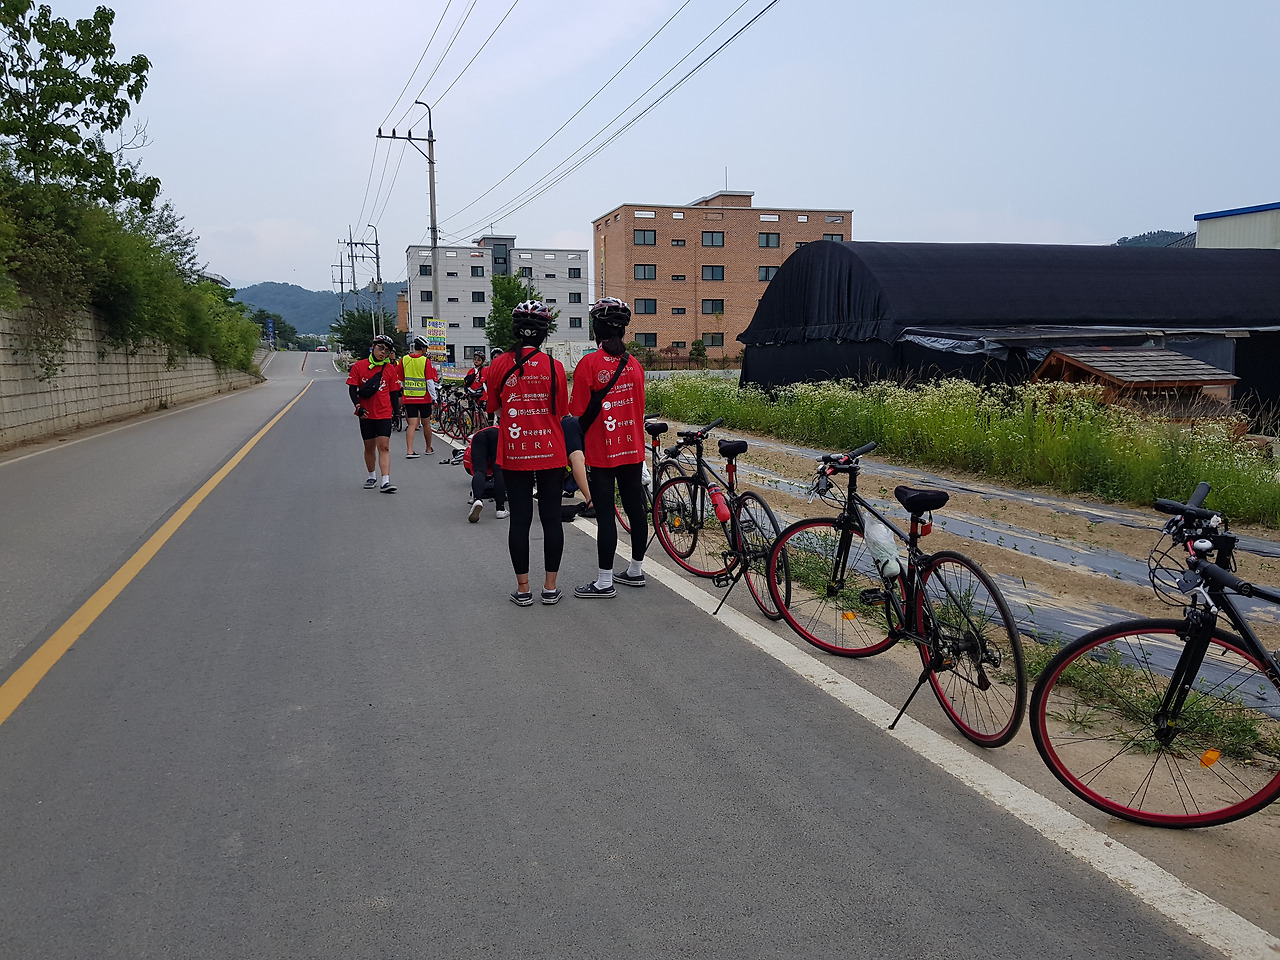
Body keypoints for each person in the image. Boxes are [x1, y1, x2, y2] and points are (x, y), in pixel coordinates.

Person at [485, 301, 569, 606]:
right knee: (550, 520)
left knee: (519, 521)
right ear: (545, 333)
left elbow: (492, 406)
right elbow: (562, 410)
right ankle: (550, 588)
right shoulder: (553, 366)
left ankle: (523, 590)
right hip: (550, 451)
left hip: (515, 452)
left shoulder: (499, 364)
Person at [570, 297, 647, 597]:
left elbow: (577, 412)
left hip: (602, 452)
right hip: (633, 450)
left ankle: (604, 582)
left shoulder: (589, 363)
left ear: (596, 328)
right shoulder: (635, 365)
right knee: (635, 510)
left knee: (606, 514)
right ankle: (636, 570)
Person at [346, 334, 400, 493]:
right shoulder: (359, 366)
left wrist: (396, 415)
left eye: (387, 350)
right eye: (380, 348)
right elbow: (352, 389)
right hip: (366, 414)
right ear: (373, 346)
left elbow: (393, 393)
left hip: (384, 413)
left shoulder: (390, 369)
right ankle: (371, 476)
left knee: (384, 446)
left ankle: (386, 480)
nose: (383, 352)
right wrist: (358, 406)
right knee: (369, 447)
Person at [401, 336, 438, 457]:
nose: (426, 351)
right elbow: (429, 382)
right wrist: (434, 397)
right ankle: (428, 448)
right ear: (422, 348)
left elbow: (401, 380)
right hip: (424, 398)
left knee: (411, 424)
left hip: (409, 397)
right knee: (426, 423)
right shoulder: (425, 361)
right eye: (425, 348)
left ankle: (409, 450)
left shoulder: (404, 360)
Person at [464, 424, 509, 521]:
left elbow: (473, 469)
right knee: (499, 471)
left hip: (478, 436)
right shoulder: (503, 430)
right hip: (499, 435)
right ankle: (500, 509)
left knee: (479, 471)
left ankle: (477, 500)